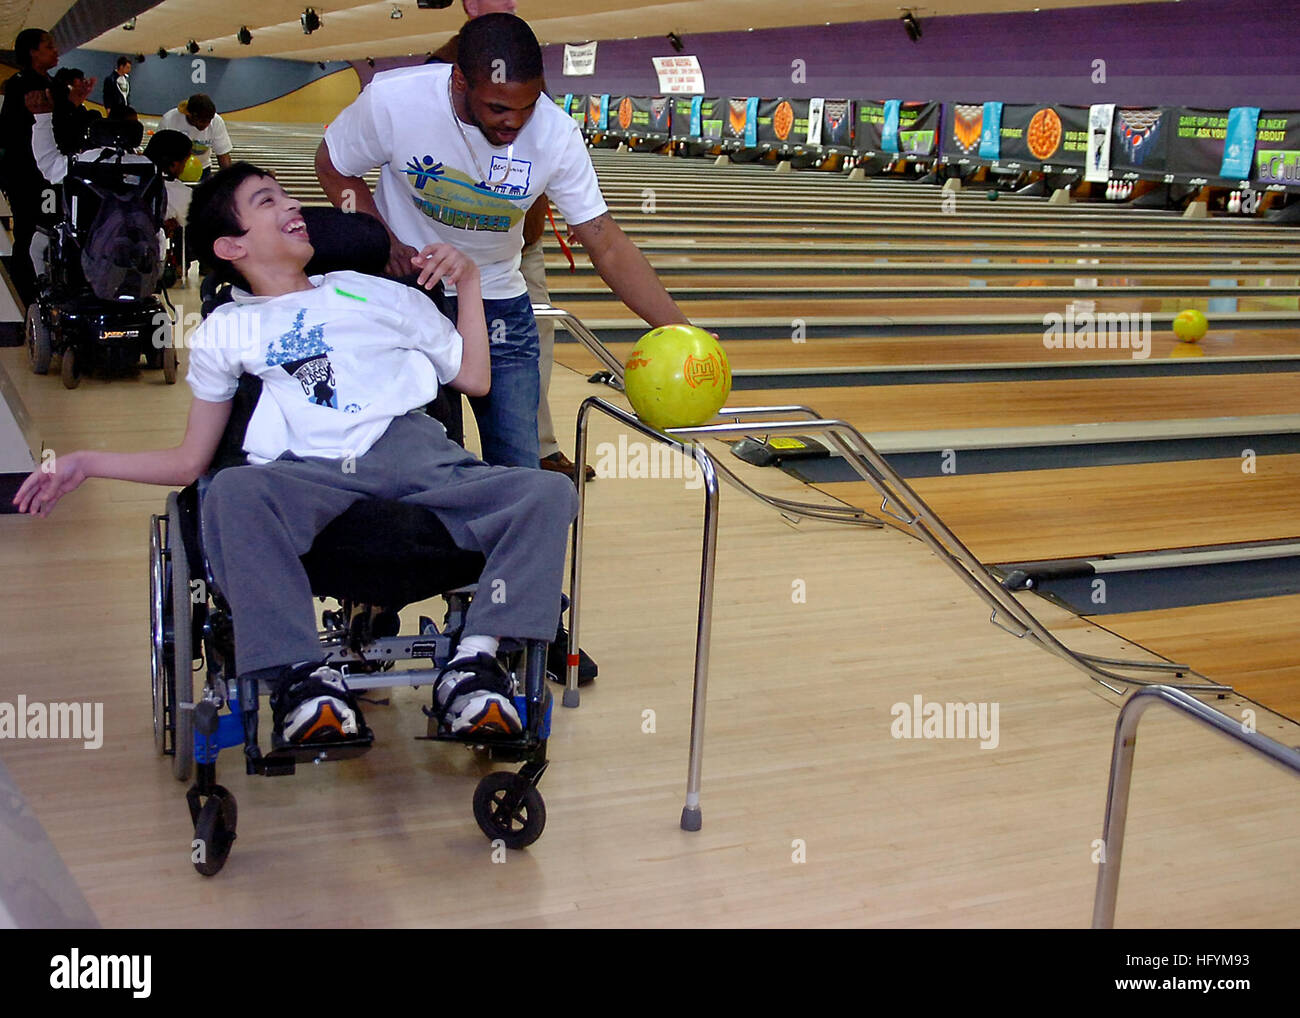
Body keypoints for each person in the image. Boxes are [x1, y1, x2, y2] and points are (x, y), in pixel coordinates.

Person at [13, 162, 579, 743]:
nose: (293, 209)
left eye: (287, 198)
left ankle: (474, 664)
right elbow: (189, 463)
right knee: (226, 489)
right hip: (310, 476)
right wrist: (88, 461)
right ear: (231, 245)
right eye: (267, 201)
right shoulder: (227, 328)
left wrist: (470, 284)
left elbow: (475, 379)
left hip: (417, 458)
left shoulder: (381, 292)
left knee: (549, 491)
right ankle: (303, 676)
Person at [317, 12, 689, 470]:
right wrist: (383, 238)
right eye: (498, 108)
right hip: (408, 296)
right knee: (433, 463)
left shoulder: (555, 134)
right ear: (459, 82)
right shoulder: (394, 101)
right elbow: (333, 164)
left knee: (519, 466)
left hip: (498, 301)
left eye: (527, 106)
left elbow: (606, 243)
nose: (514, 122)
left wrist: (678, 327)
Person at [424, 1, 590, 482]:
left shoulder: (527, 71)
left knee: (526, 361)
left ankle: (536, 451)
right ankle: (451, 473)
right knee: (441, 400)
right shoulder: (438, 72)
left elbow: (601, 233)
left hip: (511, 259)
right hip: (432, 270)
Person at [0, 28, 60, 304]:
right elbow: (15, 134)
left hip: (47, 174)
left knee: (49, 230)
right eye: (48, 46)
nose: (55, 50)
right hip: (28, 175)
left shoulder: (50, 82)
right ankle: (28, 295)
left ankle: (49, 287)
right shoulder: (20, 85)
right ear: (33, 52)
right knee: (29, 232)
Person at [159, 93, 232, 176]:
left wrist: (229, 178)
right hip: (173, 170)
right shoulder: (169, 120)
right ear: (190, 115)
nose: (206, 125)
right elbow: (158, 152)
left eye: (209, 121)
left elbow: (223, 155)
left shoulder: (216, 121)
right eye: (202, 121)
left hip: (202, 169)